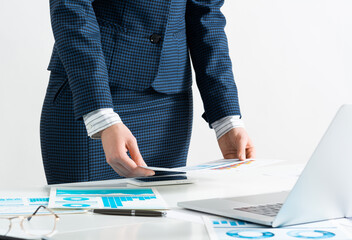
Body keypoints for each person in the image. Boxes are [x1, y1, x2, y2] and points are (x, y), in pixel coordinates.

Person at [40, 0, 256, 184]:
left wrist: (226, 121)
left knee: (158, 224)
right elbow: (71, 7)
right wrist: (101, 118)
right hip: (94, 96)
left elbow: (207, 16)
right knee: (83, 226)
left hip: (168, 104)